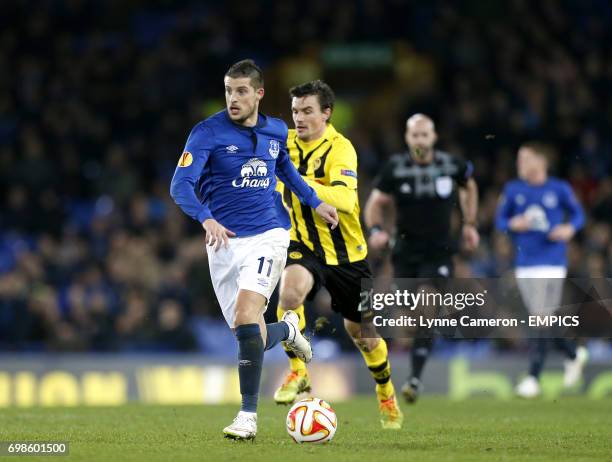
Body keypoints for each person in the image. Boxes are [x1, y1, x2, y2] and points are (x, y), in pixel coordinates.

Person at [169, 60, 338, 440]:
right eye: (229, 90)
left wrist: (314, 202)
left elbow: (287, 172)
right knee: (249, 333)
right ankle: (290, 328)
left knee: (248, 314)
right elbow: (180, 185)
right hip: (224, 242)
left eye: (242, 90)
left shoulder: (276, 130)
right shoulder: (206, 133)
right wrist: (205, 217)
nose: (234, 98)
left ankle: (247, 416)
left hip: (270, 234)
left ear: (259, 93)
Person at [273, 80, 403, 429]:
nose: (299, 118)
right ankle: (298, 372)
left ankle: (386, 392)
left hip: (347, 254)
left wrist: (296, 182)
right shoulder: (281, 142)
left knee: (362, 333)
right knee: (289, 292)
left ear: (326, 113)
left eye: (307, 111)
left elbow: (345, 201)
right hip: (303, 244)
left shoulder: (341, 149)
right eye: (295, 111)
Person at [364, 114, 479, 403]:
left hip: (438, 252)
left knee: (427, 305)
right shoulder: (395, 168)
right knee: (409, 319)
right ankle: (399, 369)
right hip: (404, 254)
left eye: (424, 135)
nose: (420, 141)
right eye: (414, 136)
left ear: (433, 137)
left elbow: (470, 184)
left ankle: (415, 379)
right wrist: (376, 230)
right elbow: (374, 203)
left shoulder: (451, 165)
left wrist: (469, 223)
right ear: (407, 138)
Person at [495, 142, 588, 398]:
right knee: (542, 318)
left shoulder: (558, 189)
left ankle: (534, 378)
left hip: (552, 261)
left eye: (524, 159)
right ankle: (573, 353)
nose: (519, 165)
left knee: (540, 317)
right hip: (525, 263)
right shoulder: (513, 190)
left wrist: (569, 229)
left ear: (540, 161)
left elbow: (579, 215)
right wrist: (513, 223)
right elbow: (500, 220)